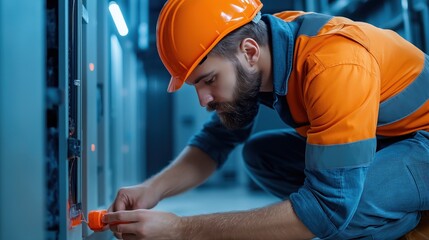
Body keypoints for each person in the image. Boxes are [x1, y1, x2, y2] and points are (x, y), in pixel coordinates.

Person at [102, 0, 429, 239]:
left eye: (209, 80)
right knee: (261, 156)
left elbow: (326, 208)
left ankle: (410, 224)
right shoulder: (269, 48)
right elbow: (215, 142)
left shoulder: (332, 64)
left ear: (249, 51)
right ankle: (380, 211)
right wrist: (151, 190)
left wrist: (181, 229)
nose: (203, 99)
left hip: (422, 141)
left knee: (340, 210)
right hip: (387, 139)